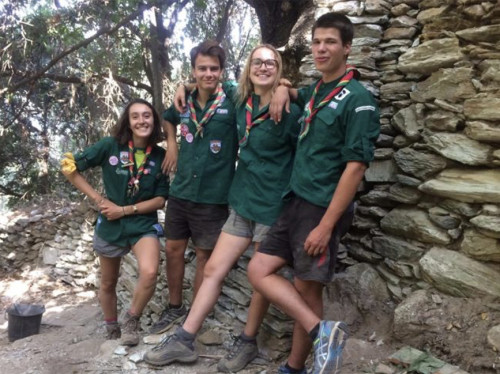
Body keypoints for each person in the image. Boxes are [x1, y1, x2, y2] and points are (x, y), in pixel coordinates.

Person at [144, 44, 302, 371]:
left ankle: (247, 341)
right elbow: (202, 82)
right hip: (241, 201)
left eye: (271, 63)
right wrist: (181, 85)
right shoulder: (240, 98)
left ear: (279, 69)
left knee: (262, 276)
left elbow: (300, 157)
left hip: (272, 206)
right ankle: (184, 339)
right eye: (257, 61)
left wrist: (285, 90)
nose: (263, 67)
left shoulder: (289, 112)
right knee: (214, 269)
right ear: (248, 68)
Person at [247, 13, 381, 374]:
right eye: (317, 42)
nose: (321, 49)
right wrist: (281, 88)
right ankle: (323, 332)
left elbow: (355, 169)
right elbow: (294, 91)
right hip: (294, 201)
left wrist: (325, 227)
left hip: (321, 208)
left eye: (330, 42)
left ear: (347, 47)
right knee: (258, 269)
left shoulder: (358, 100)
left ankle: (295, 367)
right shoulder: (318, 90)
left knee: (308, 291)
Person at [60, 99, 169, 346]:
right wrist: (99, 199)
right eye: (135, 117)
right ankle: (112, 327)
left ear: (154, 120)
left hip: (142, 224)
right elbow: (70, 167)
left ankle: (132, 319)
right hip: (110, 225)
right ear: (128, 123)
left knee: (150, 271)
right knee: (108, 281)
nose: (142, 121)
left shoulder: (161, 156)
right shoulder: (110, 146)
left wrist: (124, 209)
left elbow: (161, 199)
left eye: (147, 116)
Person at [149, 40, 239, 335]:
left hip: (214, 195)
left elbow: (265, 85)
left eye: (214, 68)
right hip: (182, 191)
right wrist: (172, 144)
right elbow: (166, 117)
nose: (208, 73)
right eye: (202, 68)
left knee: (203, 256)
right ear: (194, 70)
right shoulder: (183, 100)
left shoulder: (233, 99)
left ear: (222, 71)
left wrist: (281, 87)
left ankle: (195, 317)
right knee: (173, 248)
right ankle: (175, 308)